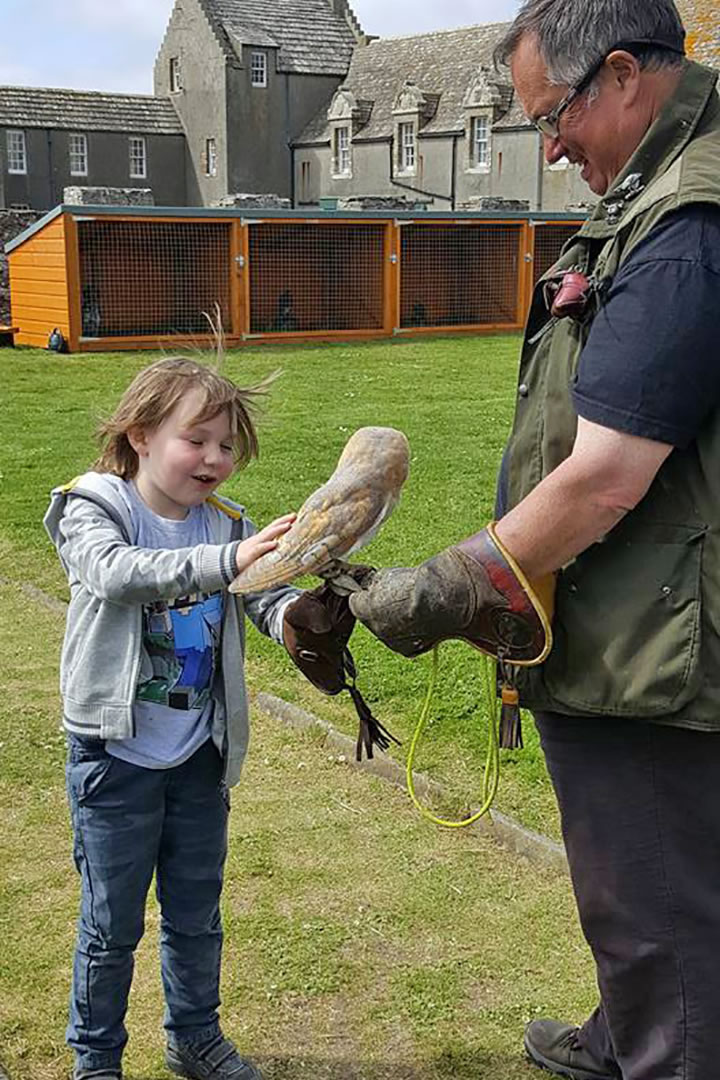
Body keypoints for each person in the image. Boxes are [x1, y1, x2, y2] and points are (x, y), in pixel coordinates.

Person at [347, 2, 720, 1078]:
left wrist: (452, 584)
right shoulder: (657, 187)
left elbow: (607, 475)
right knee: (633, 883)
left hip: (662, 651)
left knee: (665, 908)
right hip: (634, 617)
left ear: (622, 75)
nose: (548, 146)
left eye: (553, 116)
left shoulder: (690, 218)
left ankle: (663, 1048)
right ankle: (624, 1032)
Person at [44, 356, 299, 1080]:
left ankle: (194, 1038)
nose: (216, 458)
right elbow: (115, 574)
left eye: (227, 444)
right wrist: (231, 561)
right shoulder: (94, 506)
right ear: (141, 433)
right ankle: (96, 1061)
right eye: (199, 439)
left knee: (196, 914)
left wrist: (297, 620)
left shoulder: (226, 524)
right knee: (111, 926)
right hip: (114, 758)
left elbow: (258, 595)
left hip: (198, 758)